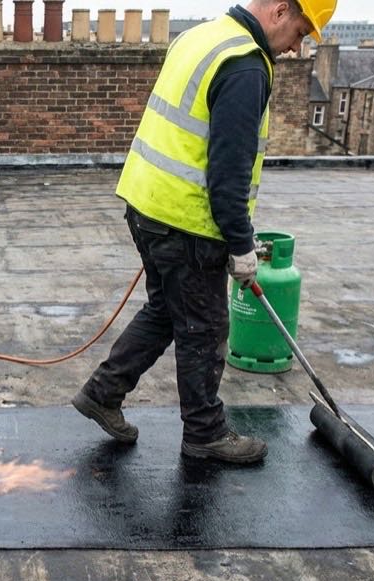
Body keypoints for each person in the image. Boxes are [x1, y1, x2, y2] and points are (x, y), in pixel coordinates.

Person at [73, 0, 336, 463]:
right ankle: (205, 433)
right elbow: (228, 171)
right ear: (280, 11)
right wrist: (240, 244)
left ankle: (102, 393)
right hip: (186, 221)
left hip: (146, 202)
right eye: (300, 32)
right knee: (204, 327)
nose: (296, 48)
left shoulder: (202, 36)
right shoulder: (245, 65)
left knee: (166, 310)